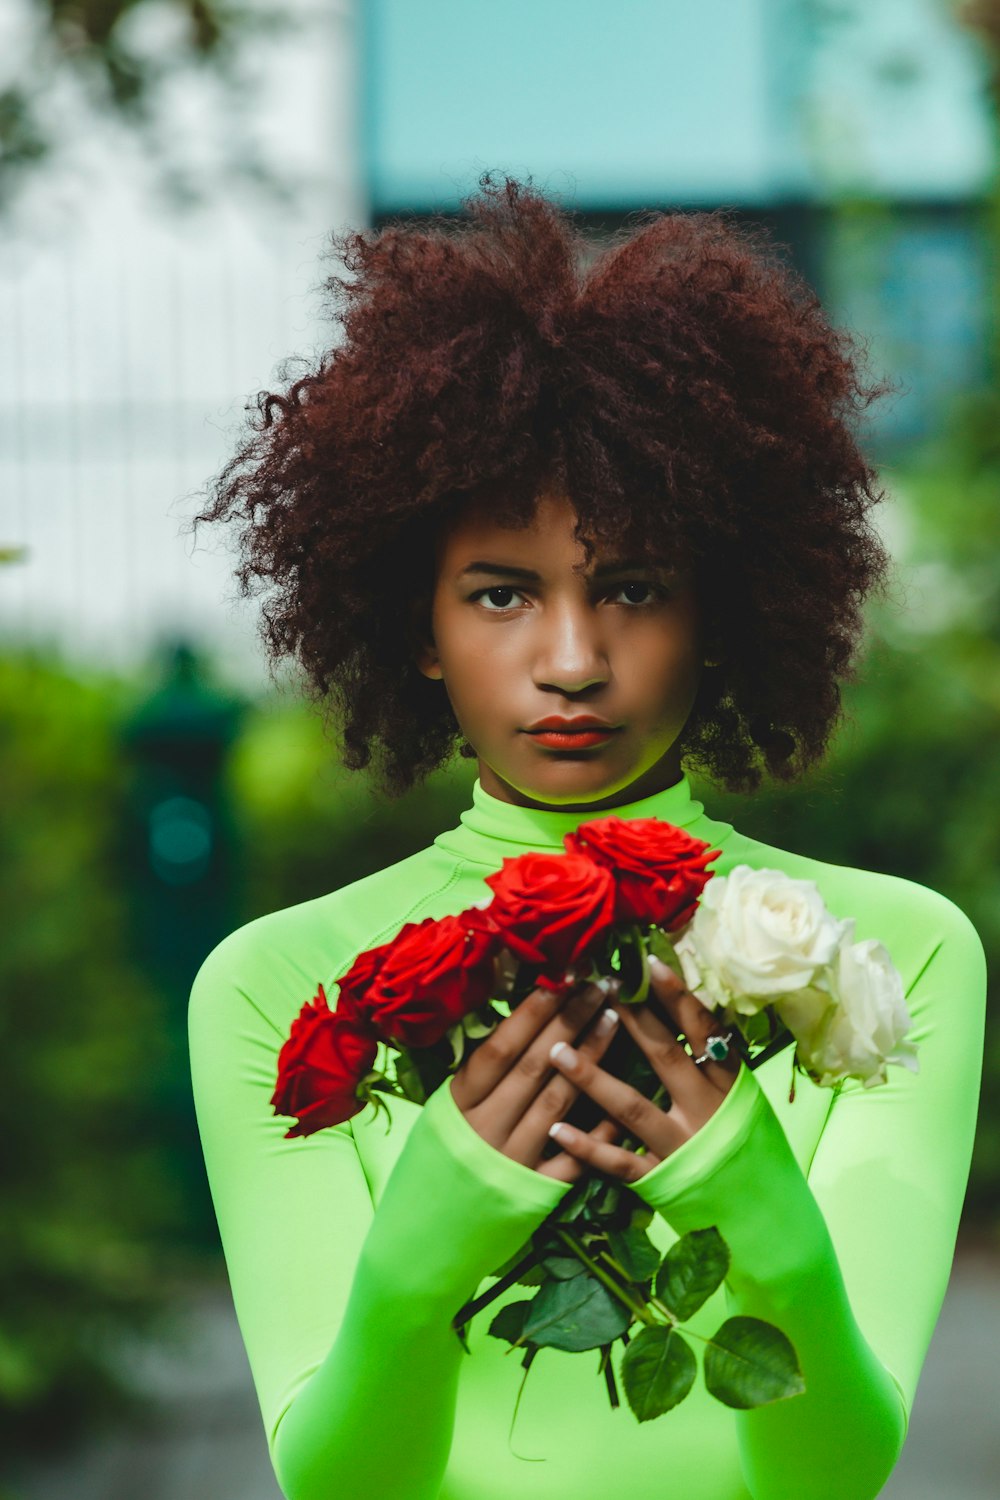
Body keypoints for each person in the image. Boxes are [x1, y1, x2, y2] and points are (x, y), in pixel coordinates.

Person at [185, 174, 986, 1500]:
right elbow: (339, 1485)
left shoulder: (897, 957)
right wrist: (423, 1242)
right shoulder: (274, 989)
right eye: (501, 593)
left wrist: (750, 1202)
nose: (570, 658)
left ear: (721, 607)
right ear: (416, 630)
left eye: (632, 586)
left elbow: (834, 1472)